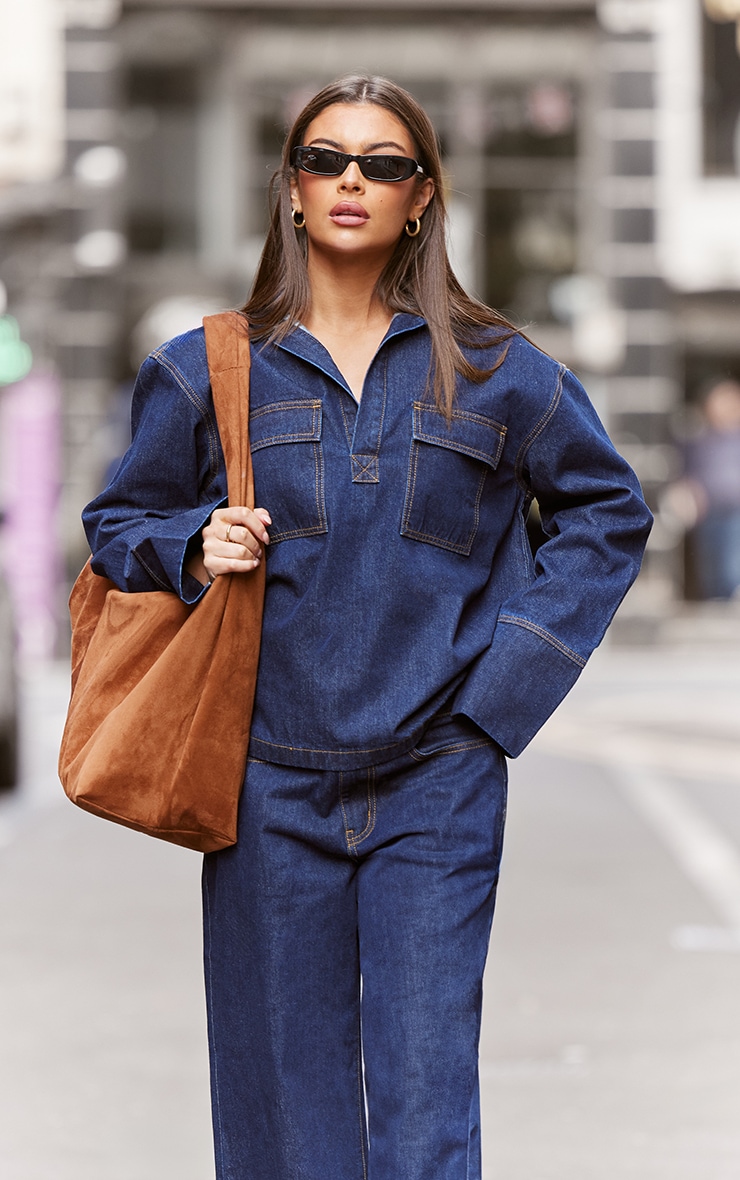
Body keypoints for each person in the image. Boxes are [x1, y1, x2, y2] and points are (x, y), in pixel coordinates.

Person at [83, 75, 652, 1180]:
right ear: (291, 191)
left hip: (437, 785)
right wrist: (195, 542)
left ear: (422, 198)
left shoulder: (495, 371)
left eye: (383, 163)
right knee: (284, 1119)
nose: (352, 180)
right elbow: (117, 525)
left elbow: (606, 510)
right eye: (325, 159)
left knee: (426, 1112)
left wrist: (501, 698)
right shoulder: (208, 366)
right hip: (262, 786)